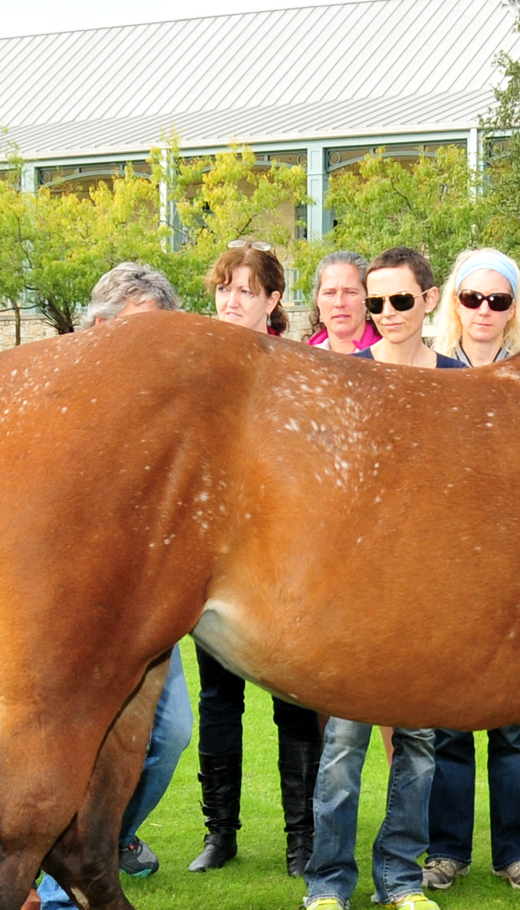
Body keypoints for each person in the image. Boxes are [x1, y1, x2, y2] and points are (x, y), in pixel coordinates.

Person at [34, 263, 194, 910]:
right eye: (135, 333)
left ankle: (113, 837)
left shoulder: (169, 408)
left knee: (170, 735)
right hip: (82, 608)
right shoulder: (56, 398)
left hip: (156, 603)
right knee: (73, 747)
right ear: (99, 328)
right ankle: (58, 897)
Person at [302, 246, 455, 910]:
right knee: (342, 748)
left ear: (428, 298)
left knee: (419, 745)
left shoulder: (458, 381)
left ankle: (401, 875)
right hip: (354, 595)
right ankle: (327, 884)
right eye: (375, 302)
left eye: (399, 300)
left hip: (427, 595)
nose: (386, 313)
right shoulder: (341, 377)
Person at [191, 241, 322, 876]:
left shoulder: (299, 369)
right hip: (211, 558)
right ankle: (221, 833)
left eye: (247, 289)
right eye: (225, 287)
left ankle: (303, 839)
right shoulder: (196, 368)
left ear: (273, 300)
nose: (232, 299)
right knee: (218, 700)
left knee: (295, 697)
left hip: (284, 558)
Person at [421, 249, 520, 893]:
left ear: (514, 307)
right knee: (449, 726)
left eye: (498, 300)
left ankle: (517, 852)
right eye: (472, 299)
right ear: (453, 303)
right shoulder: (431, 370)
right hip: (447, 570)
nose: (484, 312)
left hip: (515, 572)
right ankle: (446, 850)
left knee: (512, 728)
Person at [306, 251, 380, 354]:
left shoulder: (389, 355)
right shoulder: (302, 358)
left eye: (350, 292)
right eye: (329, 293)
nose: (339, 303)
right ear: (317, 300)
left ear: (368, 298)